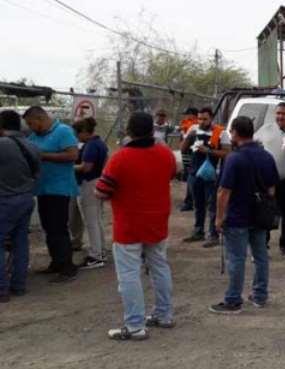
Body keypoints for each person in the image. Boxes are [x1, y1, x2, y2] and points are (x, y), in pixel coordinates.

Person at [95, 112, 176, 341]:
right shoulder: (165, 153)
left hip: (129, 224)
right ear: (152, 130)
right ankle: (164, 314)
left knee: (129, 273)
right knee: (160, 266)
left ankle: (134, 325)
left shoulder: (120, 158)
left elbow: (102, 191)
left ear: (129, 131)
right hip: (158, 220)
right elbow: (170, 175)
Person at [209, 116, 279, 314]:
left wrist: (219, 217)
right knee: (260, 255)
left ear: (235, 133)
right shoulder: (266, 156)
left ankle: (233, 300)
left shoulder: (234, 158)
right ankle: (260, 295)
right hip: (259, 216)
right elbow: (272, 189)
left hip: (237, 216)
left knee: (237, 258)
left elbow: (224, 192)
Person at [23, 106, 80, 283]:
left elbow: (72, 155)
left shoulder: (63, 131)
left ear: (40, 119)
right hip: (43, 189)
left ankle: (67, 267)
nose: (31, 127)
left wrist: (44, 156)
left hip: (60, 188)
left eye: (32, 123)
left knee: (58, 227)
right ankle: (56, 262)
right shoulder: (34, 136)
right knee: (48, 227)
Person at [0, 110, 40, 302]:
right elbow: (36, 173)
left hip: (5, 201)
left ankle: (2, 290)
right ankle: (19, 285)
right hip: (26, 199)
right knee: (20, 242)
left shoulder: (2, 145)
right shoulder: (31, 145)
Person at [256, 102, 285, 258]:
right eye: (278, 113)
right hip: (268, 180)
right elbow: (253, 144)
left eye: (284, 113)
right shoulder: (266, 129)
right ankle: (263, 245)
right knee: (266, 212)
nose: (280, 116)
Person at [180, 107, 231, 248]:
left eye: (205, 119)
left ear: (212, 118)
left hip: (211, 173)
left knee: (212, 204)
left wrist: (208, 150)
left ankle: (213, 234)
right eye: (199, 119)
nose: (201, 121)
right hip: (195, 172)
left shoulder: (221, 132)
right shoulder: (193, 130)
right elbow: (183, 149)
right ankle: (198, 231)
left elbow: (227, 153)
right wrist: (189, 137)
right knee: (198, 203)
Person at [70, 117, 108, 269]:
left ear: (85, 132)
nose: (77, 137)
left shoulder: (91, 145)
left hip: (89, 183)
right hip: (97, 182)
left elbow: (86, 167)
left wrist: (69, 166)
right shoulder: (99, 143)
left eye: (78, 133)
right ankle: (100, 251)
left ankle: (96, 255)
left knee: (91, 221)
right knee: (96, 220)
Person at [179, 107, 198, 212]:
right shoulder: (187, 124)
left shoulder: (194, 125)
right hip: (186, 153)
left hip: (190, 153)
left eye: (187, 114)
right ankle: (190, 201)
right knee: (189, 176)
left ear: (193, 115)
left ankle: (189, 202)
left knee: (191, 176)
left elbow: (186, 139)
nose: (186, 116)